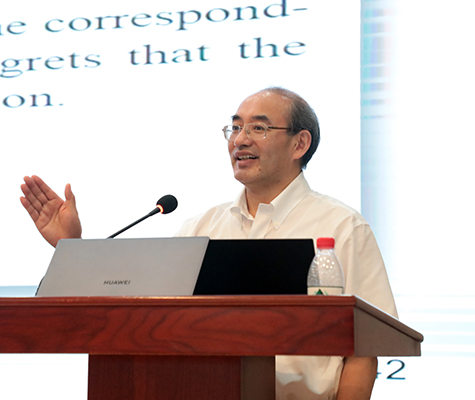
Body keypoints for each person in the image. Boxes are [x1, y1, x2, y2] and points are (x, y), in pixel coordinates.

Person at [20, 87, 397, 400]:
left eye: (258, 128)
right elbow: (134, 312)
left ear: (299, 143)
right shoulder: (200, 228)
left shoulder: (342, 226)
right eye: (235, 127)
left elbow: (365, 348)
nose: (240, 139)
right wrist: (71, 247)